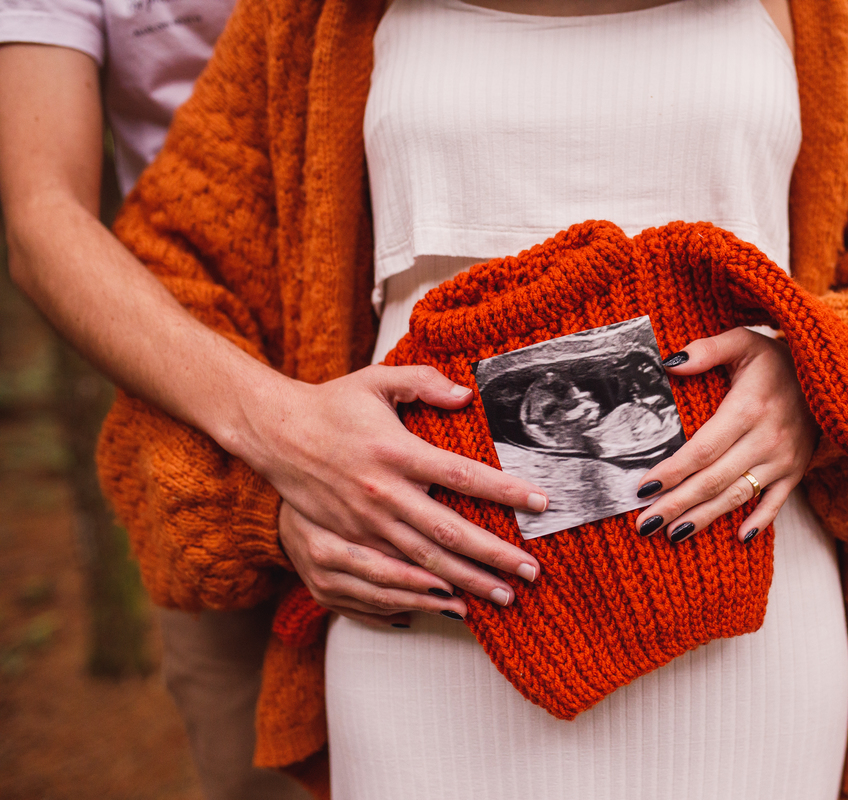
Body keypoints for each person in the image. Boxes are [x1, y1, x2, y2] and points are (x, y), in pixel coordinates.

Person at [94, 0, 848, 797]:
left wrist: (818, 370)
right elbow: (166, 281)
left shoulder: (831, 12)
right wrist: (273, 487)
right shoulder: (313, 16)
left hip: (750, 616)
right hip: (427, 616)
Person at [0, 0, 548, 795]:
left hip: (452, 392)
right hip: (205, 421)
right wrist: (278, 441)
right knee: (252, 763)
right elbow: (41, 216)